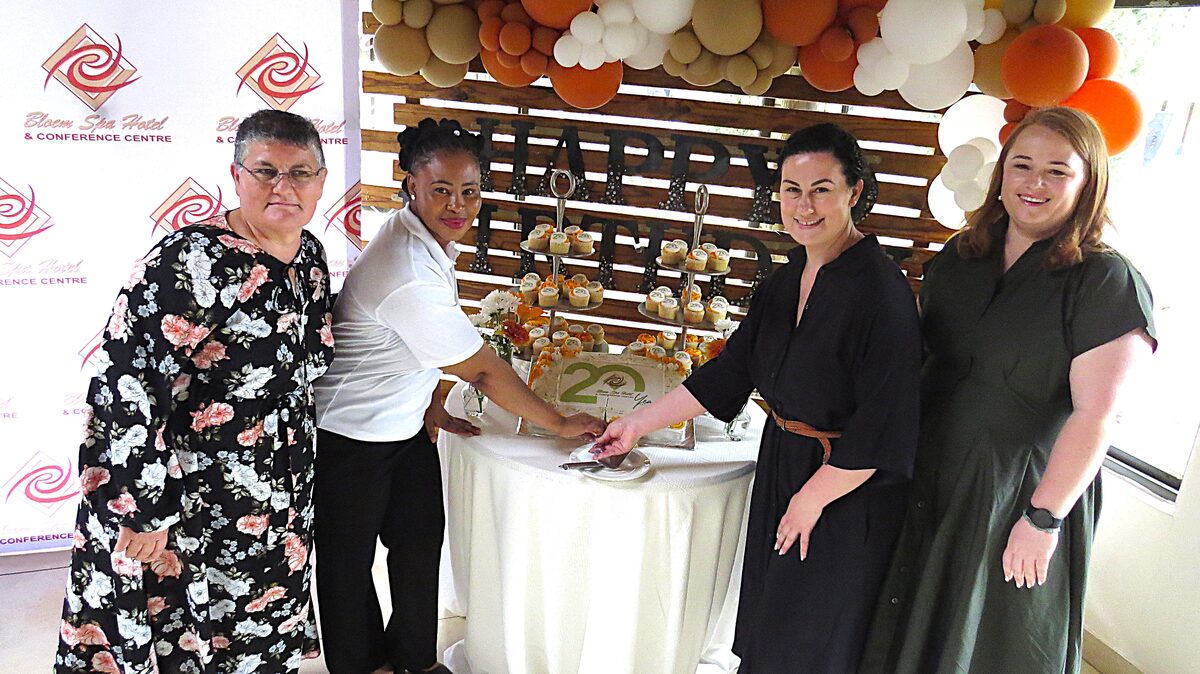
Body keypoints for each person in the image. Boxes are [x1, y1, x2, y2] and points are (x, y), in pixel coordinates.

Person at [591, 122, 922, 672]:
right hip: (782, 467)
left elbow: (885, 425)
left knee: (814, 639)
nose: (805, 206)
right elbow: (732, 371)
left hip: (843, 490)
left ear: (854, 192)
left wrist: (812, 499)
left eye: (821, 189)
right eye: (792, 190)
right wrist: (637, 424)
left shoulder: (883, 294)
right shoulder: (786, 280)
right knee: (769, 628)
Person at [860, 107, 1156, 673]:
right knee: (908, 630)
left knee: (990, 645)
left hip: (1018, 495)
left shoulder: (1105, 280)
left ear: (1088, 183)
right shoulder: (959, 257)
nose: (1034, 182)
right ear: (1001, 174)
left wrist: (1043, 519)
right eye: (1022, 165)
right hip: (930, 475)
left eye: (1057, 171)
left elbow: (1097, 416)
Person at [312, 117, 605, 674]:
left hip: (405, 427)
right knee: (347, 565)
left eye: (469, 191)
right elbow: (484, 372)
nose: (457, 205)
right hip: (350, 436)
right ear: (411, 185)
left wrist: (430, 401)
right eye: (441, 190)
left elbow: (411, 346)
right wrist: (559, 422)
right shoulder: (406, 269)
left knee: (419, 546)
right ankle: (362, 666)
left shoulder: (421, 238)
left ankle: (415, 661)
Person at [56, 110, 335, 673]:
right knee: (189, 642)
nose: (283, 187)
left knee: (257, 638)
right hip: (193, 502)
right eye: (265, 171)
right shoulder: (190, 259)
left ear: (321, 181)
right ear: (236, 176)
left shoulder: (309, 256)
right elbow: (125, 381)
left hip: (279, 498)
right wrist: (141, 508)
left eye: (300, 173)